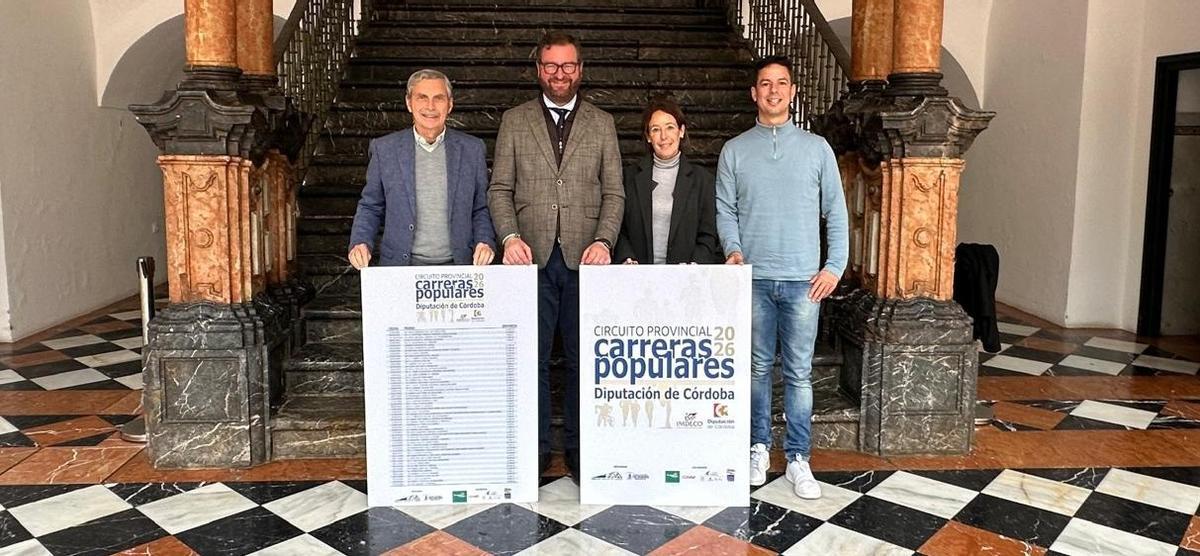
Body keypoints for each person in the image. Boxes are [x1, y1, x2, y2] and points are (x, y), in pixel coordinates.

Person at [487, 31, 624, 481]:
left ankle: (583, 451)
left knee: (587, 360)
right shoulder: (514, 120)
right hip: (531, 261)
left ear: (580, 70)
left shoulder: (602, 123)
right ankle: (538, 449)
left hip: (588, 261)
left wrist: (603, 241)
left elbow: (614, 193)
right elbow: (500, 189)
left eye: (568, 66)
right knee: (533, 358)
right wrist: (508, 237)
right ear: (539, 70)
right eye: (551, 66)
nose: (559, 74)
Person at [715, 55, 849, 499]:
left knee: (798, 373)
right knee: (755, 370)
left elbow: (837, 211)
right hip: (752, 279)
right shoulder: (735, 149)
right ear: (754, 93)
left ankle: (797, 458)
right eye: (765, 84)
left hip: (803, 282)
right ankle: (757, 447)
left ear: (792, 92)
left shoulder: (817, 149)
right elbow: (726, 210)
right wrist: (733, 251)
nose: (773, 90)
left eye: (781, 83)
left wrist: (834, 267)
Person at [347, 69, 494, 268]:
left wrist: (485, 241)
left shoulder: (472, 149)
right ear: (409, 103)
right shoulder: (384, 149)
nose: (430, 106)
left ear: (450, 105)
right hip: (401, 267)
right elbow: (371, 206)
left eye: (439, 98)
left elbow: (480, 208)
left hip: (459, 269)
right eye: (422, 97)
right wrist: (360, 242)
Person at [615, 97, 722, 265]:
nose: (663, 136)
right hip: (637, 277)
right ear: (648, 136)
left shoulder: (703, 180)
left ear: (681, 131)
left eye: (670, 127)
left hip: (686, 280)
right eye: (656, 129)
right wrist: (626, 258)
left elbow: (708, 235)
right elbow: (618, 228)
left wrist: (695, 265)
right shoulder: (628, 178)